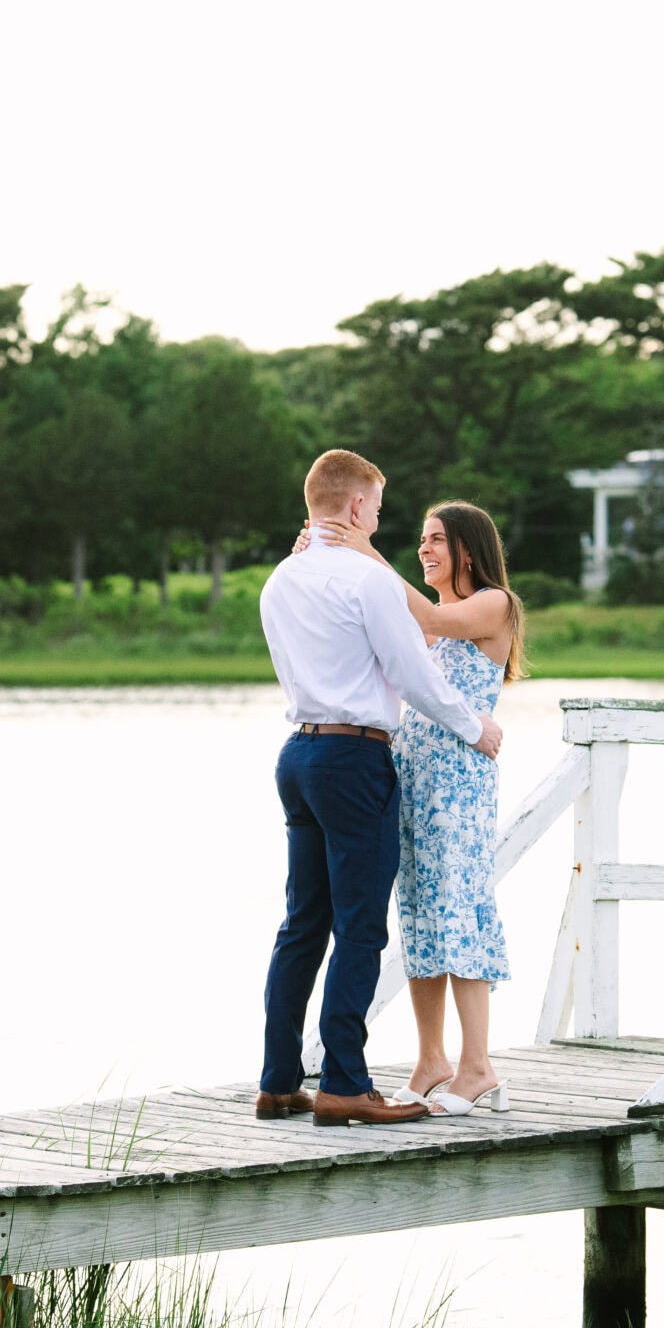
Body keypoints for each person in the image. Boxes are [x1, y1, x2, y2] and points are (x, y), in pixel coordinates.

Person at [257, 450, 502, 1128]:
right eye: (380, 509)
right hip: (354, 758)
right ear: (359, 507)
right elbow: (414, 676)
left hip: (298, 754)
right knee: (360, 929)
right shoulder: (365, 583)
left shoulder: (280, 579)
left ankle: (279, 1082)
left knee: (301, 924)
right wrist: (472, 726)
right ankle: (344, 1083)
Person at [303, 500, 521, 1118]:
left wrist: (362, 550)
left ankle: (479, 1067)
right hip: (410, 778)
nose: (422, 550)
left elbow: (424, 612)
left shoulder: (493, 604)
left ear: (468, 550)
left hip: (458, 783)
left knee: (459, 908)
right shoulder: (425, 622)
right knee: (420, 915)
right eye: (420, 540)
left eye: (435, 541)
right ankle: (433, 1060)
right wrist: (319, 556)